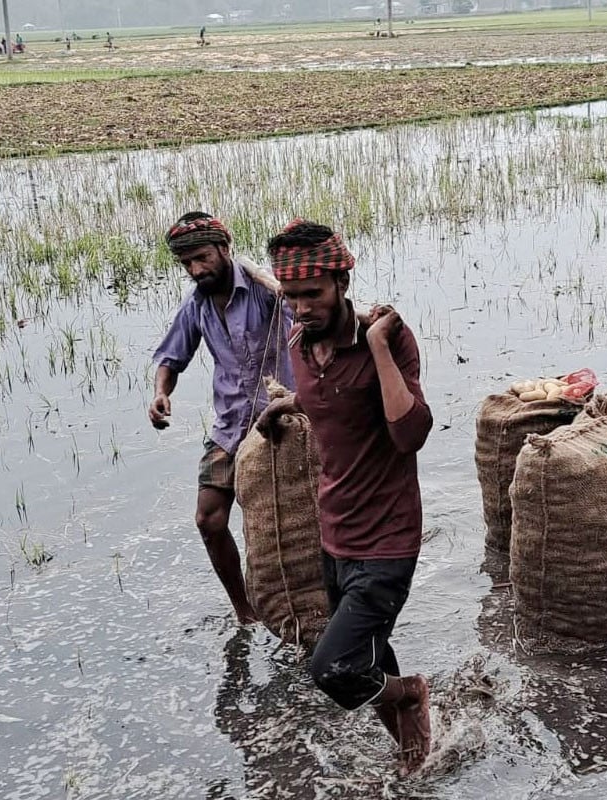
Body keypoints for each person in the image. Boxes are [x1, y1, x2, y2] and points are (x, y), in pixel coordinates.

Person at [256, 220, 433, 774]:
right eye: (292, 297)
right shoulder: (298, 345)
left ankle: (409, 694)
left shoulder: (389, 337)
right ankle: (412, 750)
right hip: (334, 536)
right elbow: (336, 409)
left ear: (340, 283)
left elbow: (410, 434)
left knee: (331, 669)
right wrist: (288, 406)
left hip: (388, 540)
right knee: (368, 651)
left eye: (314, 294)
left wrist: (378, 347)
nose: (303, 307)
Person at [149, 212, 294, 625]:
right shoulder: (196, 305)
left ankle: (303, 601)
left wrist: (285, 294)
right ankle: (245, 612)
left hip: (281, 420)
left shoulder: (267, 292)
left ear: (225, 250)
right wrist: (161, 392)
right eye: (187, 263)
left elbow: (306, 327)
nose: (196, 269)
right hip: (231, 426)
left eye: (202, 258)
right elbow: (170, 357)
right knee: (209, 519)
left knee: (289, 522)